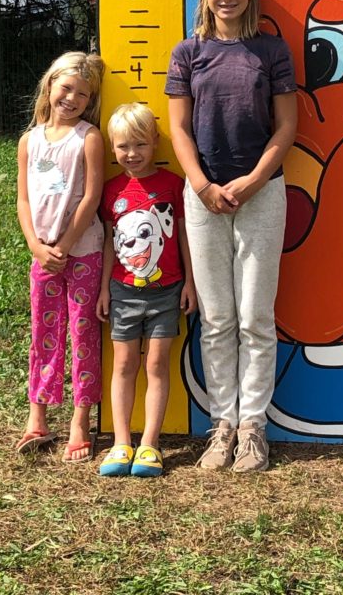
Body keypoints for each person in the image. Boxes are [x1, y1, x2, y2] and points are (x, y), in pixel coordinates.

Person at [165, 0, 297, 472]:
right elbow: (176, 128)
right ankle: (221, 426)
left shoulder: (272, 50)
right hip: (203, 199)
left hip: (261, 194)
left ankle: (253, 429)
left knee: (256, 318)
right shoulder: (187, 53)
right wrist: (201, 186)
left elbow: (287, 127)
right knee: (217, 319)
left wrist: (252, 180)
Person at [96, 103, 196, 478]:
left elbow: (184, 237)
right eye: (122, 147)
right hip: (122, 293)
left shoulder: (173, 186)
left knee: (156, 365)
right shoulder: (111, 191)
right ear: (112, 148)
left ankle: (150, 444)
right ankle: (121, 442)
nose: (131, 155)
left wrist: (191, 282)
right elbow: (109, 242)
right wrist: (105, 289)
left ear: (155, 142)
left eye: (139, 145)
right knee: (123, 365)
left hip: (167, 292)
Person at [15, 51, 105, 463]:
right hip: (43, 256)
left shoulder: (88, 137)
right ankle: (38, 416)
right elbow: (23, 198)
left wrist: (67, 244)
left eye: (82, 95)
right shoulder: (29, 140)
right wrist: (36, 246)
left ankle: (79, 421)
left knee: (82, 334)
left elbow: (91, 197)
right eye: (66, 88)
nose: (71, 98)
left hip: (82, 252)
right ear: (49, 86)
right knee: (43, 334)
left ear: (90, 102)